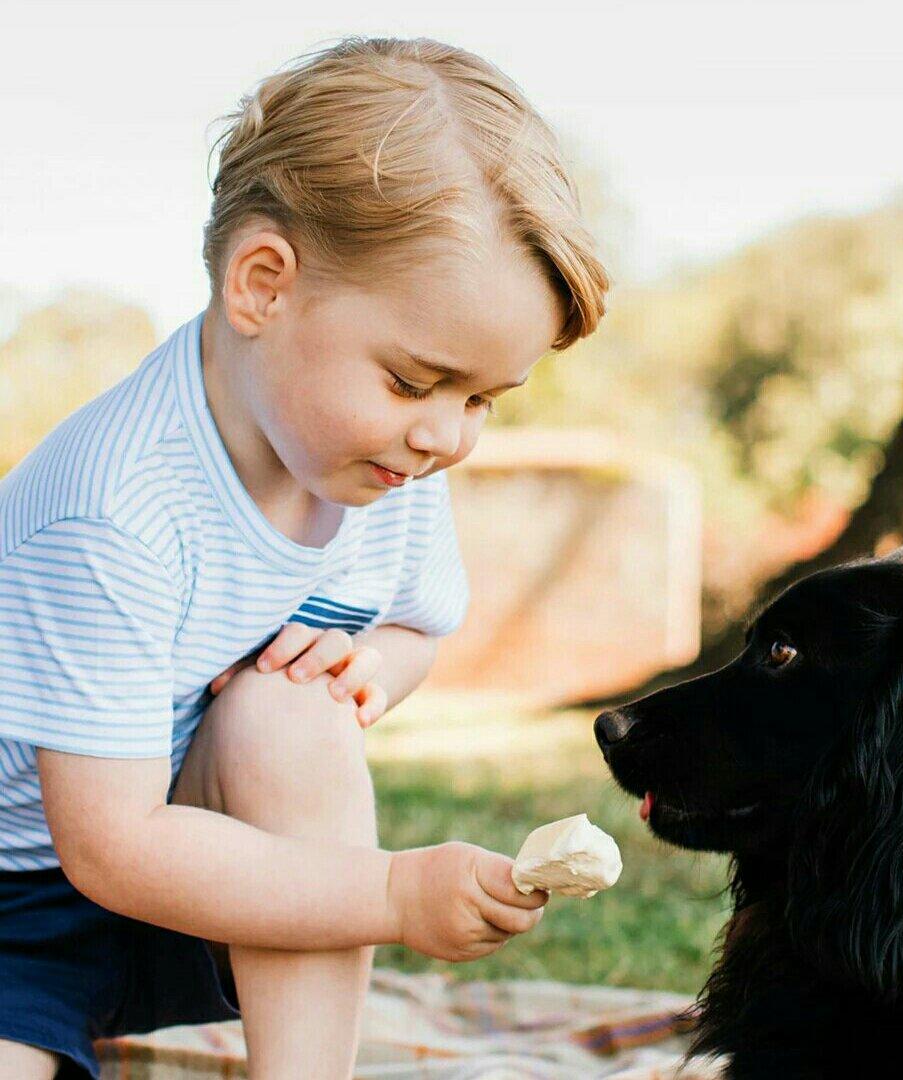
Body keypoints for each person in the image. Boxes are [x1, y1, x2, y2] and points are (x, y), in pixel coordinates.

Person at [0, 36, 609, 1080]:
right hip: (25, 896)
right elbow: (109, 843)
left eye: (482, 401)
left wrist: (373, 668)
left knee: (291, 712)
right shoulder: (111, 511)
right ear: (263, 286)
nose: (448, 437)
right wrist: (390, 894)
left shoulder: (384, 465)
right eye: (418, 381)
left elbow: (414, 626)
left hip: (201, 867)